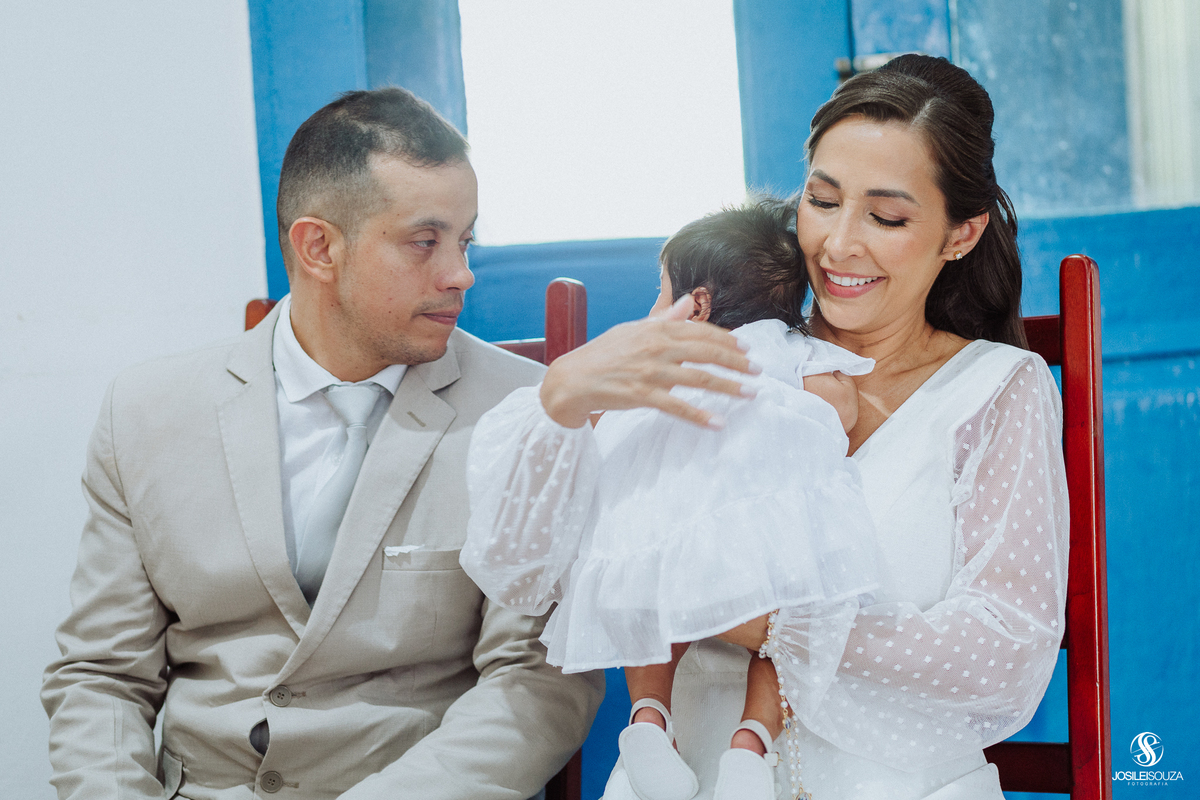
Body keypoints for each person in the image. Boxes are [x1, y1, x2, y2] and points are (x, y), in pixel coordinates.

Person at [456, 54, 1068, 800]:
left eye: (886, 217)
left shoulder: (994, 390)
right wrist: (564, 400)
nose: (838, 245)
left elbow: (1004, 653)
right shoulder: (704, 364)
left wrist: (767, 621)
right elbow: (521, 576)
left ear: (961, 233)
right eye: (822, 200)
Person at [41, 87, 601, 800]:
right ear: (319, 248)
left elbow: (537, 679)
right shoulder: (146, 412)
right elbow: (101, 676)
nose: (460, 273)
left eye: (465, 241)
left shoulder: (527, 412)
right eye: (425, 241)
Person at [463, 198, 880, 800]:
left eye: (661, 296)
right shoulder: (789, 346)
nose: (654, 312)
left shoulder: (657, 362)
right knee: (792, 628)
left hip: (657, 522)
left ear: (696, 306)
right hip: (759, 526)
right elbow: (838, 404)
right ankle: (752, 744)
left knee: (653, 613)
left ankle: (649, 717)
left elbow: (597, 421)